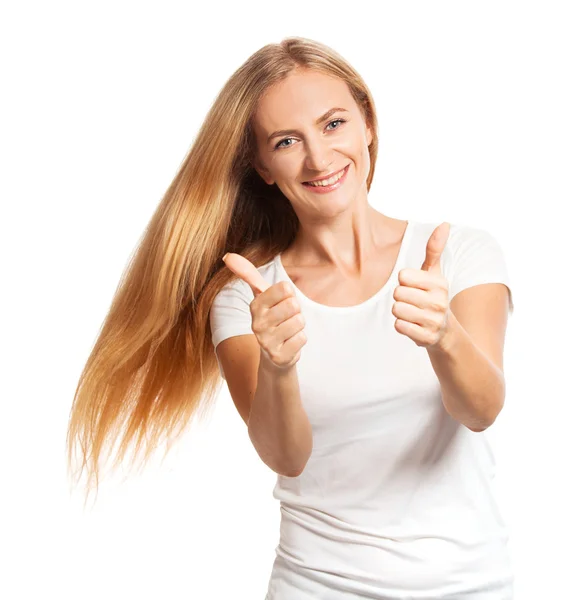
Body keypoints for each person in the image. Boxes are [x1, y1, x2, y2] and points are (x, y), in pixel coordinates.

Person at [66, 37, 515, 599]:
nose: (320, 159)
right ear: (262, 165)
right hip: (316, 587)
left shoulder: (459, 255)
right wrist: (278, 367)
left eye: (332, 125)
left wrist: (444, 333)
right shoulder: (247, 298)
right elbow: (286, 457)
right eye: (287, 141)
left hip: (470, 586)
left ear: (366, 123)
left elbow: (480, 410)